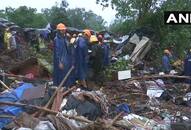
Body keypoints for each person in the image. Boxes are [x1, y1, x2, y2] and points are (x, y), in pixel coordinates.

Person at [53, 23, 71, 87]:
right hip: (60, 61)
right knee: (60, 75)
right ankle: (59, 88)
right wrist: (59, 62)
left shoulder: (64, 38)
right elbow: (57, 52)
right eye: (63, 30)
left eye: (64, 29)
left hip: (65, 60)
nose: (64, 31)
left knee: (65, 75)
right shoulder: (57, 39)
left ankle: (64, 88)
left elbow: (67, 49)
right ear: (59, 31)